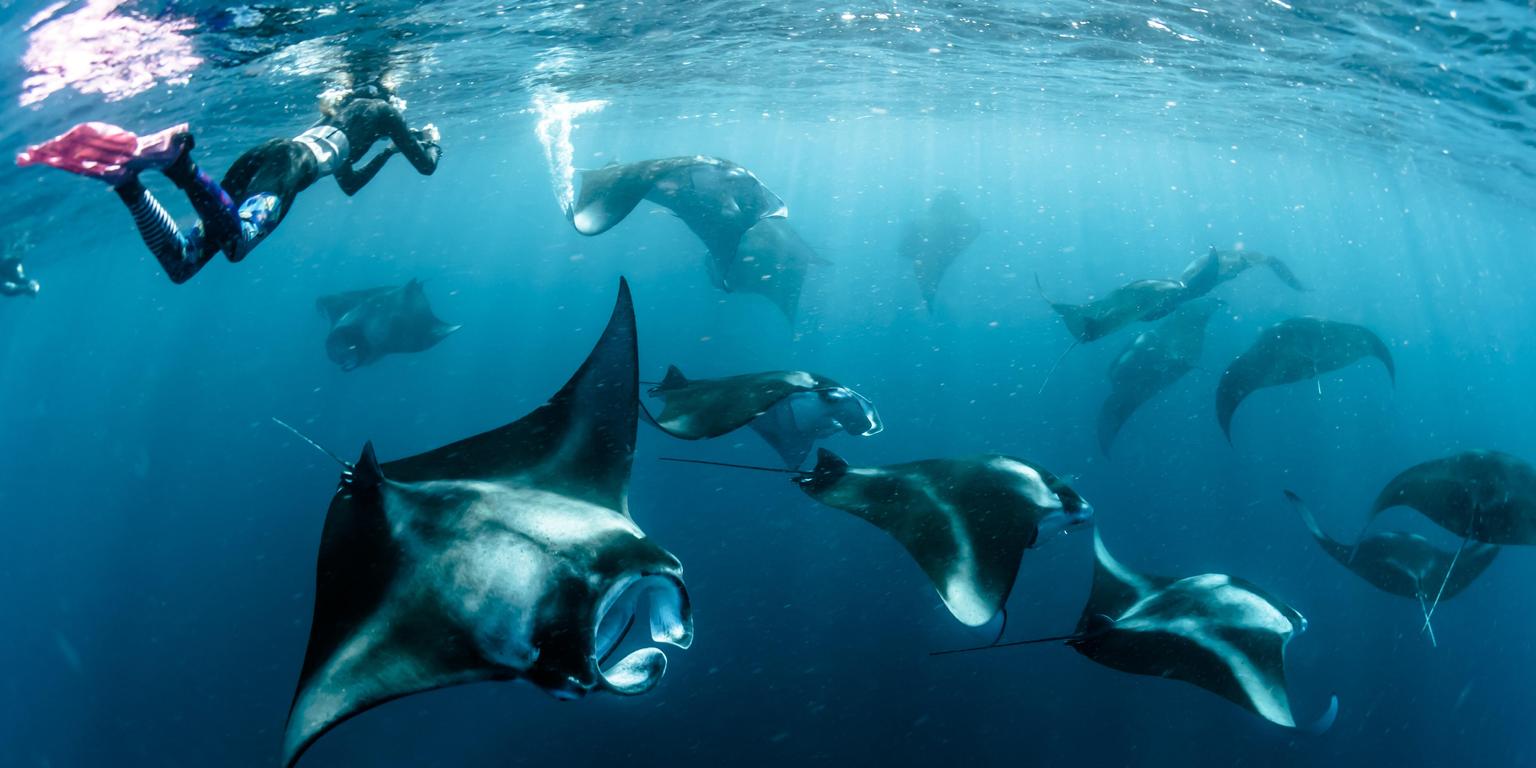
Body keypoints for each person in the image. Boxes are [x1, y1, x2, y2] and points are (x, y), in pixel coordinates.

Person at [16, 84, 441, 284]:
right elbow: (427, 167)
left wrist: (386, 153)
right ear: (390, 94)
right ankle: (180, 165)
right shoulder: (385, 112)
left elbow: (348, 184)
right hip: (290, 168)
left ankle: (126, 182)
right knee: (237, 244)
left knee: (183, 265)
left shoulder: (344, 116)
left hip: (268, 154)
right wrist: (430, 144)